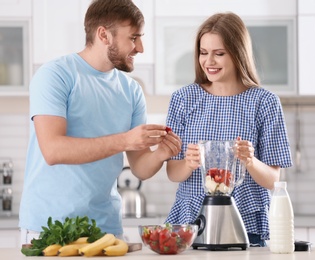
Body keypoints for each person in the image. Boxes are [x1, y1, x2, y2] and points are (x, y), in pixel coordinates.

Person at [18, 0, 181, 245]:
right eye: (134, 37)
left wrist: (160, 154)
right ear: (103, 34)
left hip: (106, 230)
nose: (141, 47)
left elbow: (139, 168)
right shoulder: (55, 75)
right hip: (48, 229)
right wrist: (126, 140)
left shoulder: (131, 90)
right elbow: (53, 150)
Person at [164, 12, 292, 247]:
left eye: (219, 54)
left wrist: (251, 161)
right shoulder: (183, 99)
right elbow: (173, 172)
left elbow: (274, 179)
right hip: (192, 222)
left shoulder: (264, 102)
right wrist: (188, 163)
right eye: (204, 53)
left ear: (238, 53)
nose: (209, 61)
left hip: (246, 223)